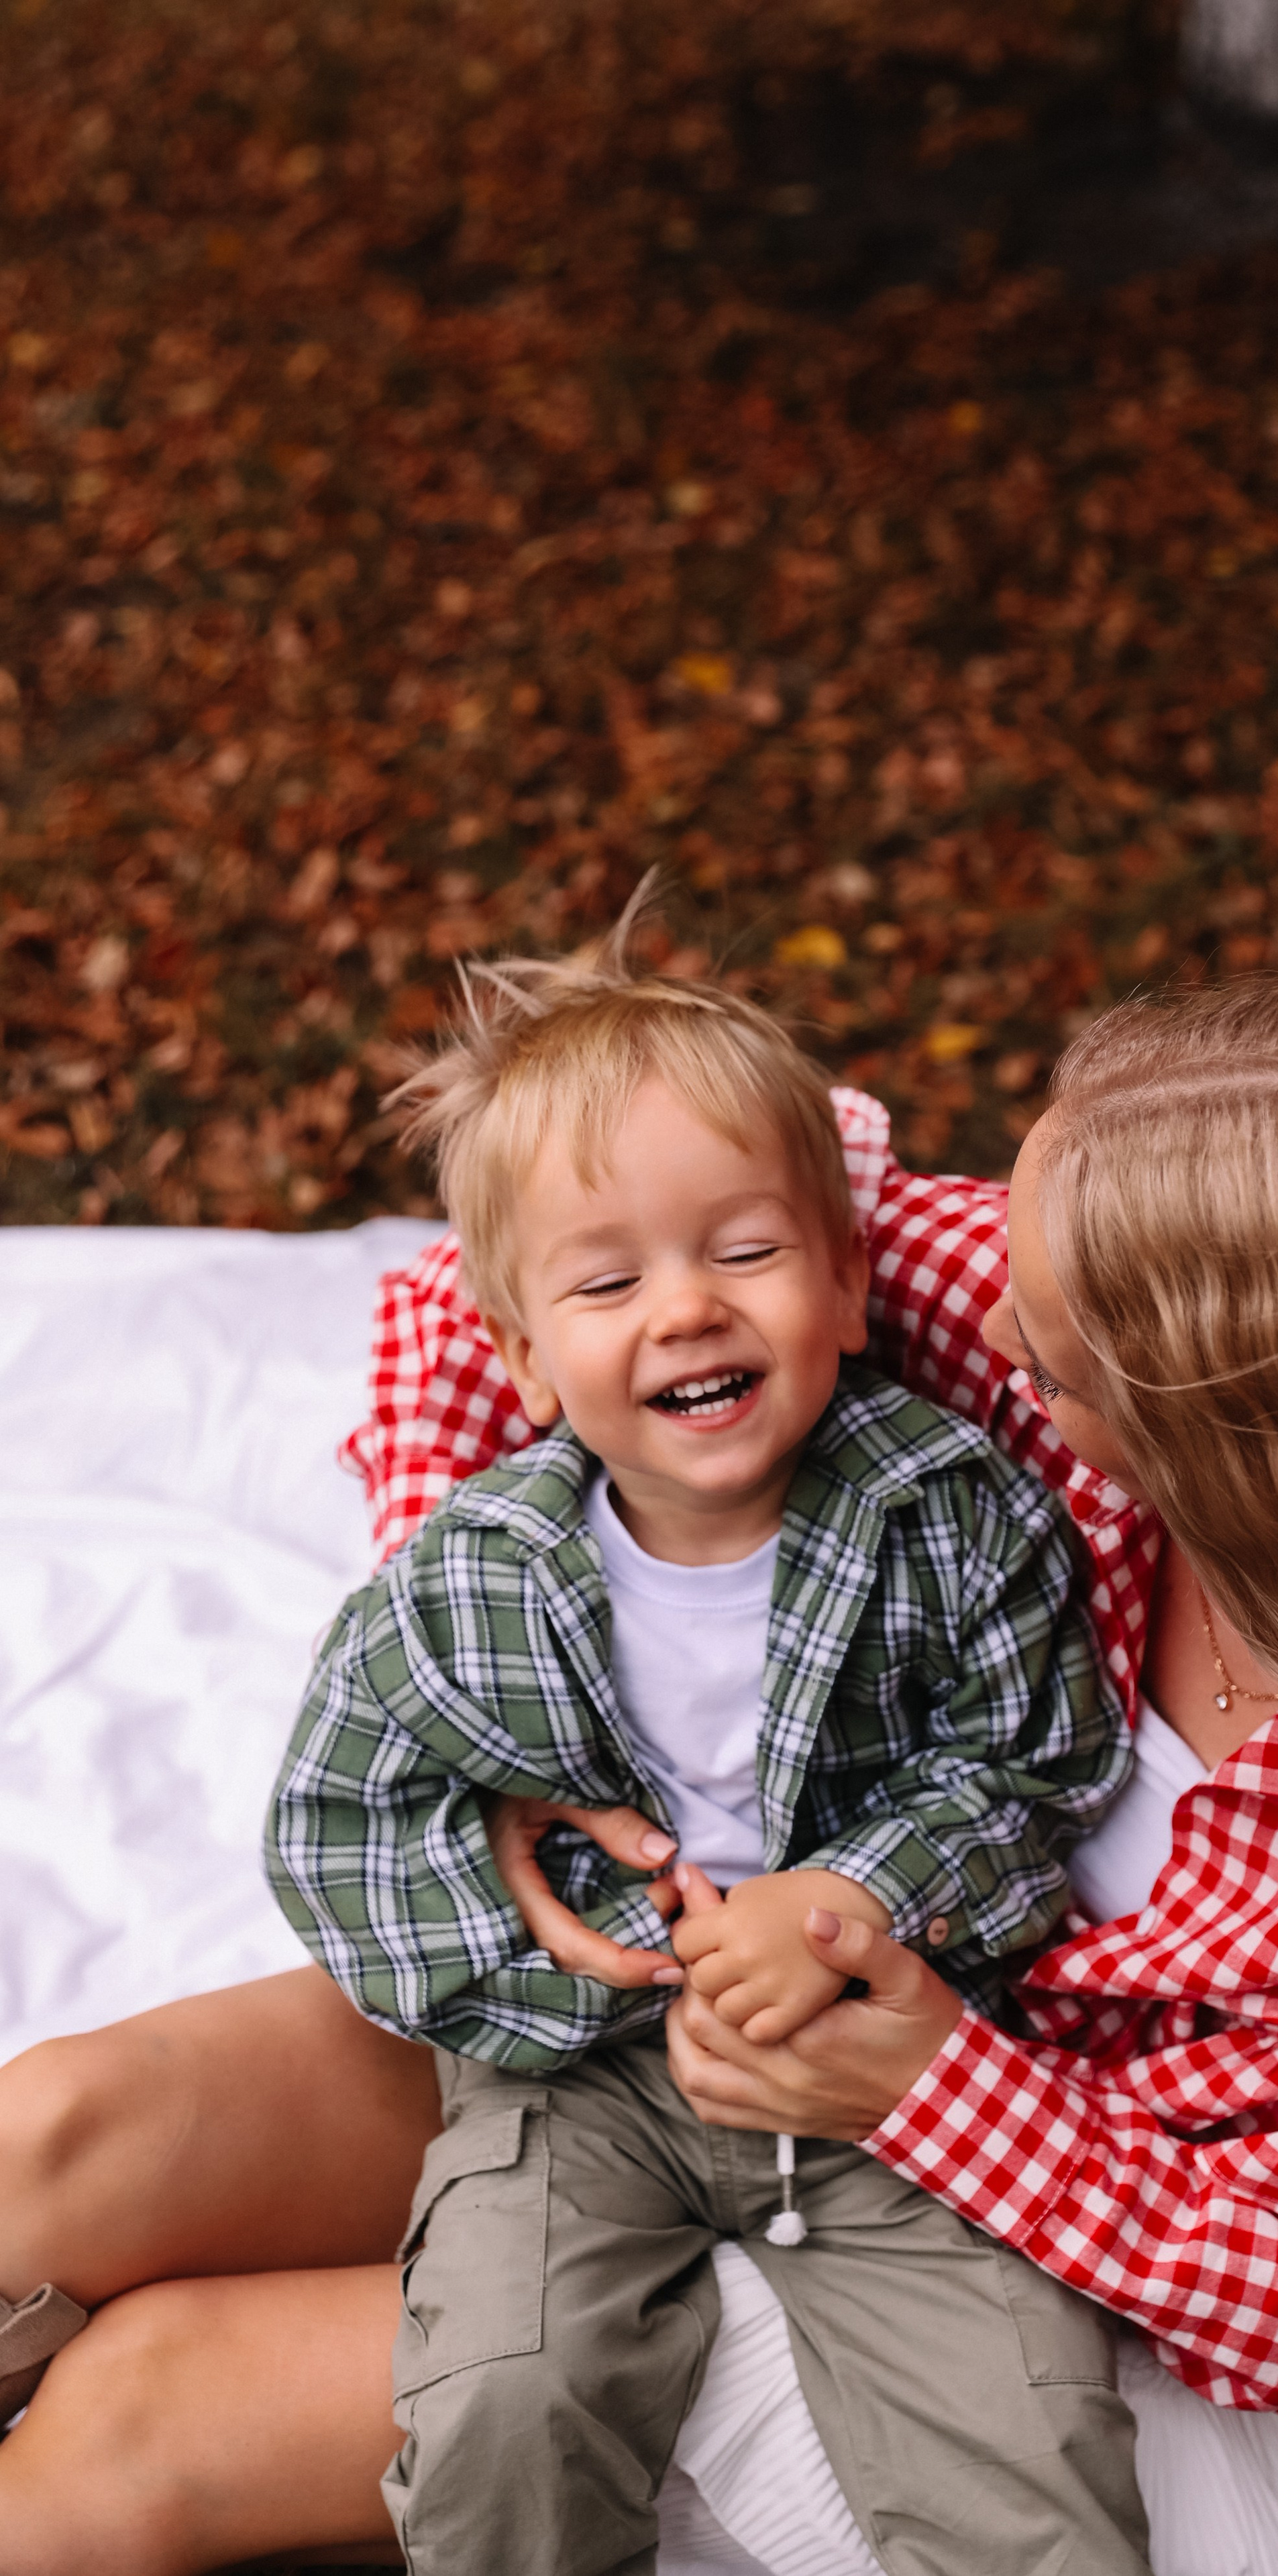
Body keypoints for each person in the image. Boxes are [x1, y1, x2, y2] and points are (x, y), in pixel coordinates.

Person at [4, 974, 1278, 2576]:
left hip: (1011, 2208)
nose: (975, 1330)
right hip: (687, 1989)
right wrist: (534, 1670)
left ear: (1233, 1438)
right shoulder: (1049, 1289)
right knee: (63, 2136)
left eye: (1044, 1360)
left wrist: (929, 2088)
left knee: (160, 2407)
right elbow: (499, 1309)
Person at [266, 932, 1142, 2574]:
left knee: (1031, 2460)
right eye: (605, 1283)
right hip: (584, 2077)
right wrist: (550, 1962)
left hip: (886, 2062)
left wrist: (848, 1897)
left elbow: (1032, 1770)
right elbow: (341, 1827)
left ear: (847, 1284)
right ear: (521, 1356)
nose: (684, 1307)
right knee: (503, 2401)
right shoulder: (473, 1578)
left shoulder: (945, 1511)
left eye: (744, 1251)